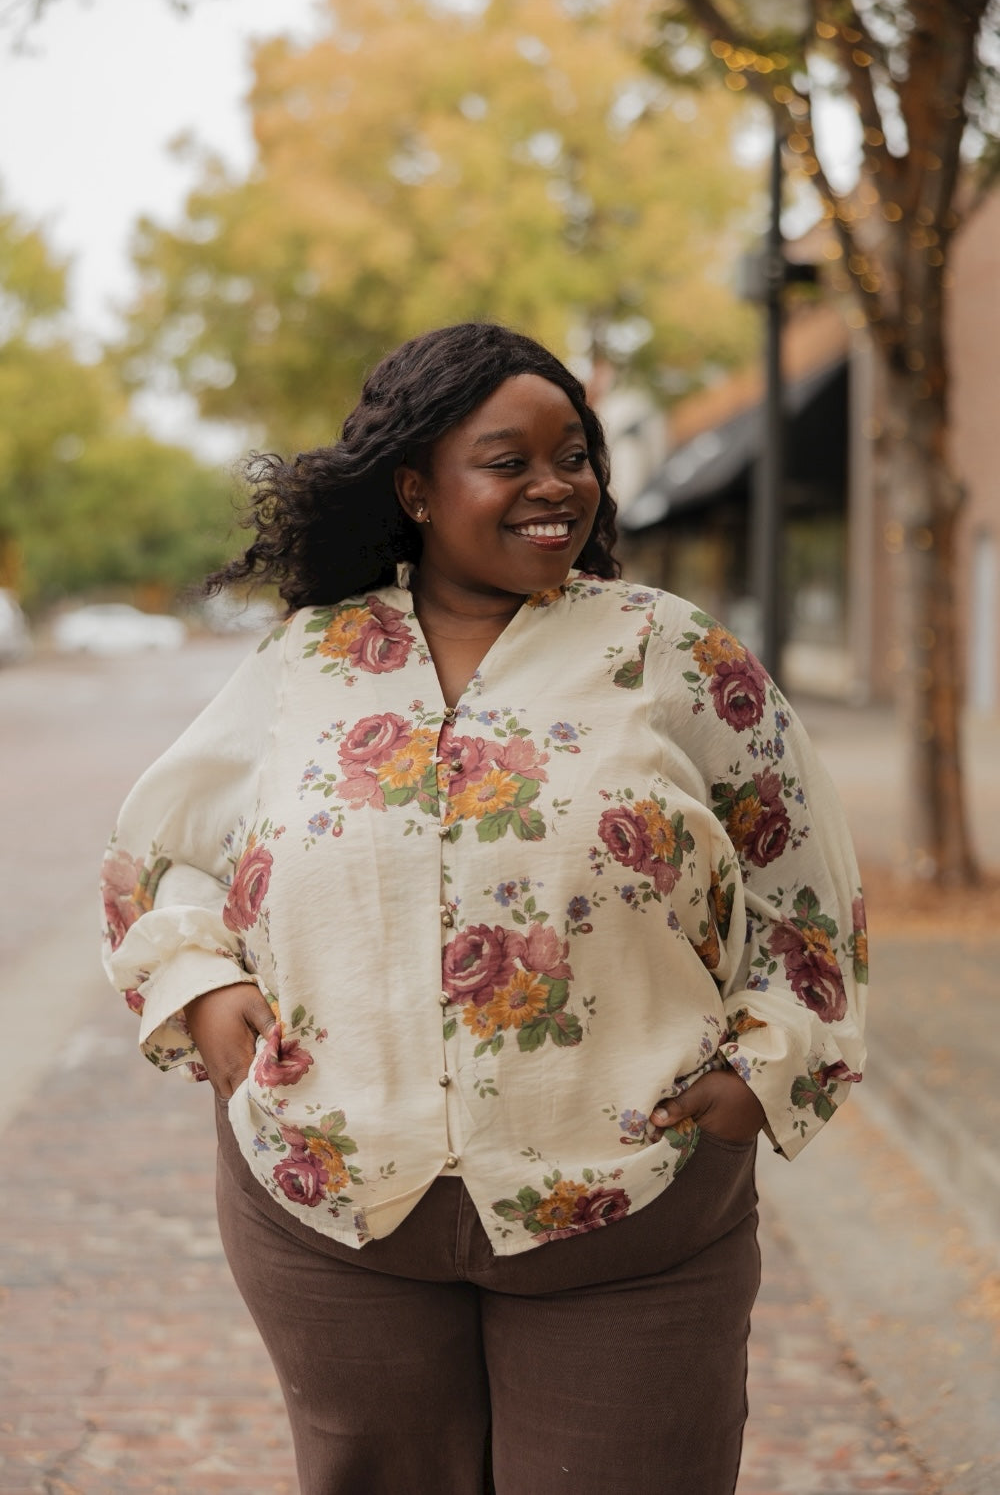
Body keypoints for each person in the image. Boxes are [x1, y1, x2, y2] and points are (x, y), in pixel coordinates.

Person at [101, 322, 867, 1495]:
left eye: (575, 457)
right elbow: (162, 852)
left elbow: (800, 878)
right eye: (510, 462)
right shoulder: (309, 660)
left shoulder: (669, 653)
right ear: (416, 490)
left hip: (629, 1204)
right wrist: (202, 988)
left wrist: (764, 1068)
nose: (556, 485)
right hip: (336, 1203)